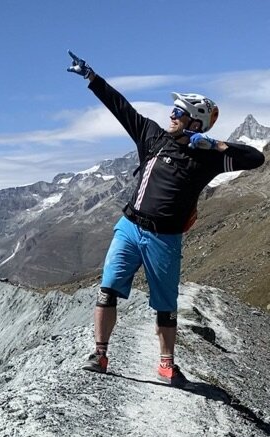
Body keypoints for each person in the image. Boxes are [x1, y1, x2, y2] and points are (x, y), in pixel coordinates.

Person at [67, 50, 265, 386]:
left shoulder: (207, 159)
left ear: (195, 122)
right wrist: (92, 78)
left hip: (165, 238)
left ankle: (166, 364)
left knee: (165, 306)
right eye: (173, 111)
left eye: (179, 113)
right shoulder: (152, 136)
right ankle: (99, 355)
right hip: (129, 227)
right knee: (107, 291)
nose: (171, 115)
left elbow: (255, 158)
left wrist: (214, 145)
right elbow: (121, 108)